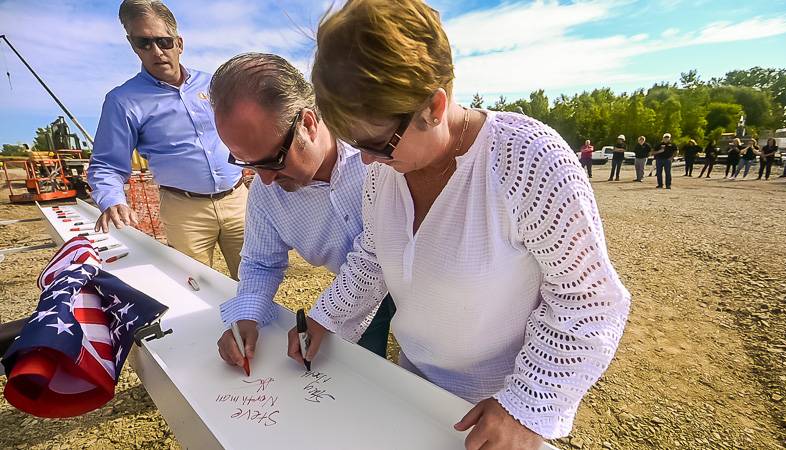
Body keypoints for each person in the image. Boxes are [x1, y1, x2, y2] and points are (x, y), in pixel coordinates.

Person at [290, 1, 631, 447]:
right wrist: (325, 319)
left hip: (500, 408)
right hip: (413, 386)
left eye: (376, 143)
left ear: (434, 105)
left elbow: (588, 300)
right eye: (353, 143)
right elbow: (374, 256)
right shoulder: (382, 171)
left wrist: (525, 405)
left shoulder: (528, 159)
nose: (367, 160)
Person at [209, 53, 395, 369]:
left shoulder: (377, 151)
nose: (265, 179)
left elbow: (380, 251)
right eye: (248, 164)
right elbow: (260, 262)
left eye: (271, 160)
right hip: (353, 297)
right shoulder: (265, 192)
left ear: (307, 123)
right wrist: (246, 317)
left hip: (426, 288)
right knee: (363, 372)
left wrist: (326, 315)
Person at [87, 0, 247, 278]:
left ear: (179, 43)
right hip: (184, 212)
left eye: (163, 41)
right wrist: (111, 199)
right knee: (195, 286)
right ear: (132, 45)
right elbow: (106, 165)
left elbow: (246, 129)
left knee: (256, 278)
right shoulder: (123, 101)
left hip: (239, 200)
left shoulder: (215, 84)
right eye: (144, 43)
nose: (156, 51)